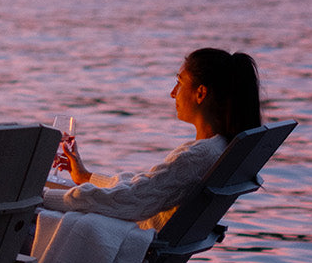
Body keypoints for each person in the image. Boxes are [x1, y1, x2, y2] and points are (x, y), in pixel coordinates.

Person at [46, 47, 262, 230]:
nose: (173, 93)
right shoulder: (218, 150)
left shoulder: (197, 157)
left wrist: (43, 197)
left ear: (200, 93)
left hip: (133, 242)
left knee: (35, 215)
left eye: (179, 82)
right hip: (147, 236)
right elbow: (146, 189)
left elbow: (131, 201)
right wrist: (86, 177)